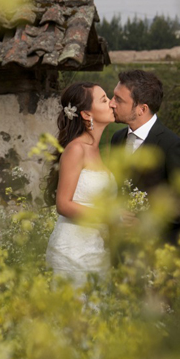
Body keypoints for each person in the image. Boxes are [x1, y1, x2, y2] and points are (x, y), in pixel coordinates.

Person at [110, 69, 180, 243]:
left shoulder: (173, 146)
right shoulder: (117, 139)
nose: (111, 103)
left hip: (162, 252)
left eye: (118, 99)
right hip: (123, 253)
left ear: (142, 109)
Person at [45, 82, 117, 288]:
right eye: (104, 99)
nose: (112, 103)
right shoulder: (76, 149)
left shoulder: (96, 149)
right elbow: (64, 204)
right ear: (86, 115)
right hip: (72, 253)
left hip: (97, 251)